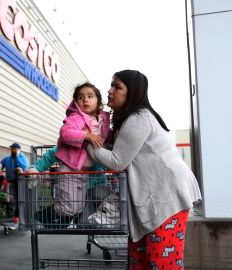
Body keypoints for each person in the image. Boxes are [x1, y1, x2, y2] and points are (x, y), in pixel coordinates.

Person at [86, 70, 202, 269]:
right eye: (111, 85)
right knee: (138, 261)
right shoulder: (128, 121)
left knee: (162, 263)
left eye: (117, 87)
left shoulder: (139, 118)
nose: (110, 90)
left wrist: (86, 142)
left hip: (167, 196)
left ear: (132, 93)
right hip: (153, 197)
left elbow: (117, 161)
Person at [52, 82, 111, 221]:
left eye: (90, 96)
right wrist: (86, 135)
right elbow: (65, 133)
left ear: (98, 101)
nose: (85, 99)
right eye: (80, 97)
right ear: (76, 102)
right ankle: (48, 216)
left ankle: (55, 217)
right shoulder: (76, 118)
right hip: (69, 170)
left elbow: (105, 135)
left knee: (77, 207)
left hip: (83, 174)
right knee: (69, 208)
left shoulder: (102, 120)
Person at [0, 143, 29, 221]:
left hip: (20, 182)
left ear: (19, 150)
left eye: (14, 149)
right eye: (12, 149)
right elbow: (0, 165)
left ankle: (18, 217)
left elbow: (24, 167)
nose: (12, 150)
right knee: (10, 199)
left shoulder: (23, 158)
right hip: (10, 182)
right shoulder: (7, 158)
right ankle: (10, 217)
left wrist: (17, 157)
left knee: (19, 199)